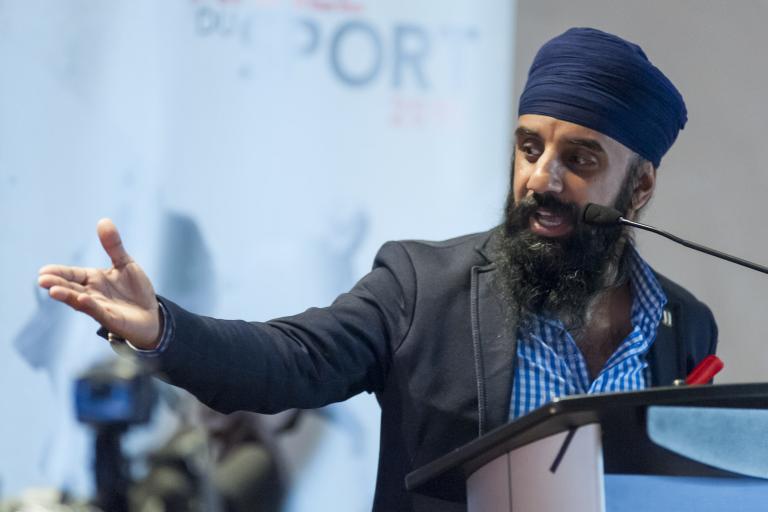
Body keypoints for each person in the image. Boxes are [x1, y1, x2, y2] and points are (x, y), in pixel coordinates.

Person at [38, 27, 718, 512]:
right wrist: (164, 330)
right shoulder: (422, 286)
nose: (542, 178)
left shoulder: (682, 323)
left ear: (640, 188)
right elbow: (290, 360)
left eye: (581, 159)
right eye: (529, 147)